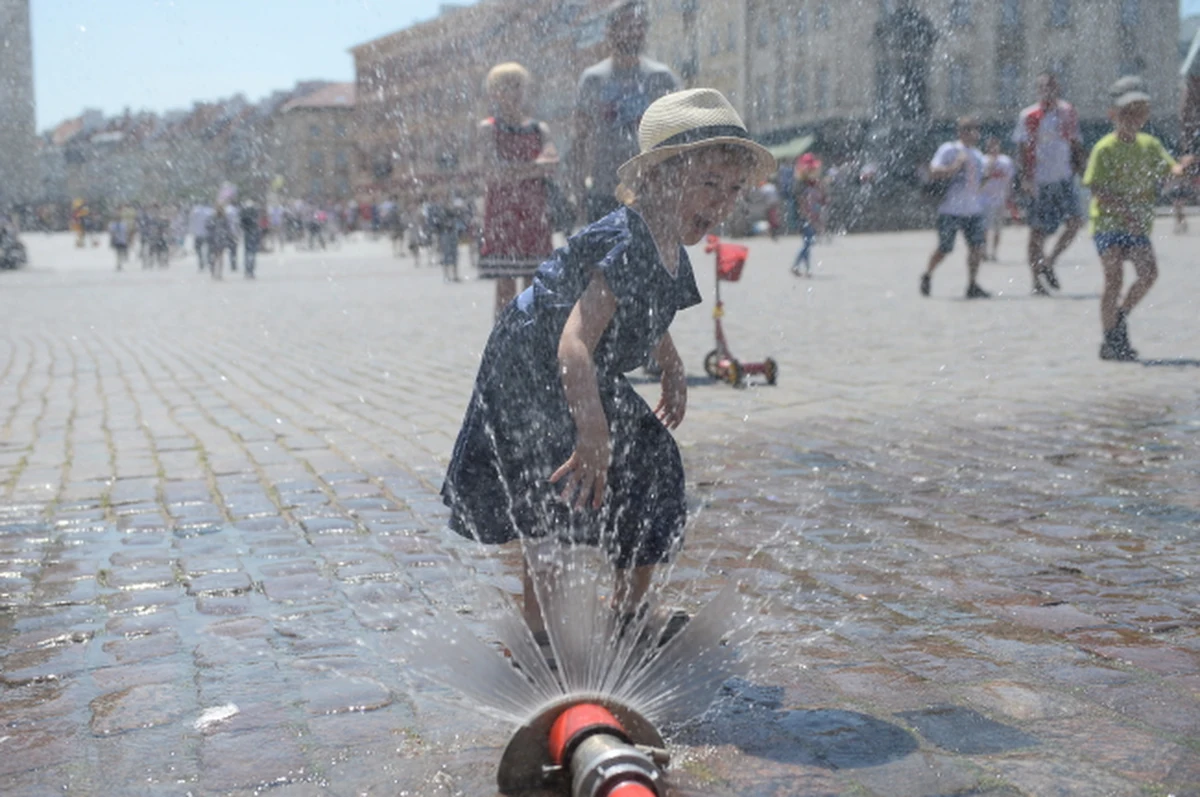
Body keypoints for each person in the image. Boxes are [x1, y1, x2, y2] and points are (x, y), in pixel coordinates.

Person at [441, 89, 773, 655]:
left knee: (653, 463)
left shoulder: (669, 246)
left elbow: (644, 311)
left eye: (733, 189)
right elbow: (574, 342)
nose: (722, 203)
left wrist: (668, 361)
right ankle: (539, 636)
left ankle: (628, 612)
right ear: (662, 178)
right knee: (550, 493)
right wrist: (592, 430)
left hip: (580, 372)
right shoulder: (627, 240)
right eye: (709, 183)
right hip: (533, 370)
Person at [1082, 76, 1193, 362]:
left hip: (1138, 226)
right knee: (1114, 278)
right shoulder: (1104, 148)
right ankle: (1110, 340)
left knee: (1148, 275)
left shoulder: (1150, 145)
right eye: (1126, 112)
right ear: (1113, 115)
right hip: (1108, 225)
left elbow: (1172, 172)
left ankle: (1119, 316)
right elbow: (1096, 189)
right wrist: (1125, 211)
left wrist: (1185, 165)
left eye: (1139, 111)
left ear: (1145, 115)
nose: (1133, 118)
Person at [573, 0, 680, 227]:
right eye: (627, 25)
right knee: (605, 260)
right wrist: (579, 193)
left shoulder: (661, 77)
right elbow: (580, 139)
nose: (634, 32)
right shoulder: (593, 79)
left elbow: (678, 136)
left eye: (640, 26)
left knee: (653, 261)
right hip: (605, 191)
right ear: (609, 31)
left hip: (653, 192)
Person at [479, 63, 560, 319]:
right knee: (505, 285)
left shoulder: (539, 128)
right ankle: (504, 345)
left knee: (533, 283)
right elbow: (491, 171)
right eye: (506, 86)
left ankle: (531, 340)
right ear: (494, 92)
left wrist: (516, 170)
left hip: (534, 212)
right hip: (504, 214)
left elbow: (551, 165)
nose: (513, 92)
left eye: (518, 85)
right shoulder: (489, 128)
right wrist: (533, 167)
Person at [1014, 71, 1086, 295]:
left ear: (1058, 89)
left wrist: (1083, 170)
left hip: (1064, 177)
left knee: (1075, 222)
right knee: (1037, 233)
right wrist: (1025, 178)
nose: (1048, 91)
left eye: (1052, 86)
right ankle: (1036, 282)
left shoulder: (1068, 111)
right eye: (1043, 87)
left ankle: (1049, 261)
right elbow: (1021, 148)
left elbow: (1076, 144)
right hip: (1040, 180)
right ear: (1038, 90)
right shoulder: (1029, 115)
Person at [919, 116, 990, 299]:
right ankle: (928, 274)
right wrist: (956, 165)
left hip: (973, 209)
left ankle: (972, 284)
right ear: (960, 132)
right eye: (968, 129)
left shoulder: (979, 155)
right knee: (945, 248)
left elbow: (978, 183)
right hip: (950, 209)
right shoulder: (949, 149)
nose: (973, 134)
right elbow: (934, 172)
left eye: (975, 130)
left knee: (976, 247)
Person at [980, 137, 1016, 261]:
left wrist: (1010, 197)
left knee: (998, 228)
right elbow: (980, 181)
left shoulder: (1006, 161)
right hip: (985, 200)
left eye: (995, 146)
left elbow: (1009, 180)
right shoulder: (982, 161)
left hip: (1000, 199)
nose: (993, 149)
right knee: (985, 228)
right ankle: (984, 251)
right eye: (991, 146)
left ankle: (994, 252)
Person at [239, 201, 261, 279]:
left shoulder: (244, 213)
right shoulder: (254, 213)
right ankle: (250, 270)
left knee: (247, 252)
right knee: (252, 252)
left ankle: (247, 269)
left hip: (247, 233)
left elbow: (241, 223)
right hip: (253, 233)